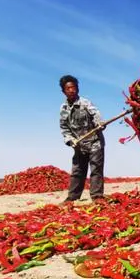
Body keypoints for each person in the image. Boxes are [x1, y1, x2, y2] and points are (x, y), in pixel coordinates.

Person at [59, 75, 105, 203]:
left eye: (74, 87)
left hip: (94, 142)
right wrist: (69, 140)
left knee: (96, 169)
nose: (72, 90)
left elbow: (96, 114)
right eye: (68, 88)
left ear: (77, 89)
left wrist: (99, 123)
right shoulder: (63, 109)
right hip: (79, 145)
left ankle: (97, 197)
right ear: (63, 91)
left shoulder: (86, 103)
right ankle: (72, 197)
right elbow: (64, 128)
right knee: (77, 171)